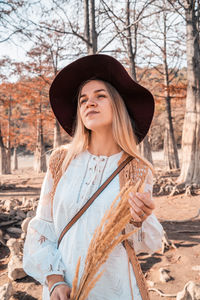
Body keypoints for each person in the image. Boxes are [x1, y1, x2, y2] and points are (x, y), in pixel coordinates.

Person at [23, 54, 163, 300]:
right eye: (83, 99)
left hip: (114, 290)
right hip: (63, 290)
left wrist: (142, 219)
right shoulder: (61, 162)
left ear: (117, 105)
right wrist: (54, 281)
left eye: (100, 96)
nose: (90, 103)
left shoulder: (137, 169)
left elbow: (147, 244)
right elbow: (42, 228)